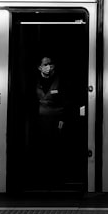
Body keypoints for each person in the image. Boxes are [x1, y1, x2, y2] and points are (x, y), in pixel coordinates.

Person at [32, 55, 67, 185]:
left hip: (56, 119)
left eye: (50, 64)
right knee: (42, 147)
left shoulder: (59, 80)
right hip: (41, 119)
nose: (48, 66)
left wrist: (63, 119)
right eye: (45, 64)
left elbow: (65, 101)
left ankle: (56, 177)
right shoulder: (35, 82)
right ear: (39, 67)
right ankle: (43, 177)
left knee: (56, 147)